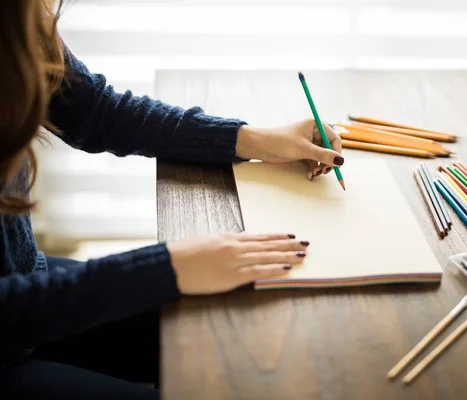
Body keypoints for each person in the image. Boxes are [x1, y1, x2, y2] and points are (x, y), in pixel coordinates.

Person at [0, 1, 344, 398]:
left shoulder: (17, 15)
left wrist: (253, 139)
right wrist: (165, 267)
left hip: (30, 288)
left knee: (242, 338)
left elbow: (93, 111)